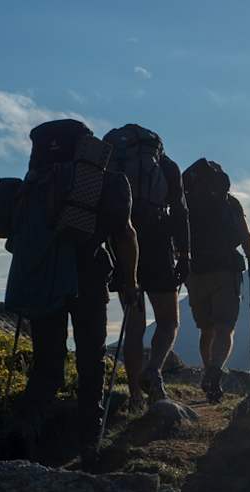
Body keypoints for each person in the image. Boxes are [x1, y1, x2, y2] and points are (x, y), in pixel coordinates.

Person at [0, 119, 139, 465]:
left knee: (47, 363)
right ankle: (89, 439)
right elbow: (125, 236)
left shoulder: (33, 183)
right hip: (89, 279)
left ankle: (27, 427)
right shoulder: (105, 183)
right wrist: (129, 281)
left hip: (42, 279)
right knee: (91, 359)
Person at [102, 124, 191, 407]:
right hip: (157, 241)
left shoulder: (113, 163)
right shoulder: (166, 165)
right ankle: (153, 372)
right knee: (168, 321)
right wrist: (185, 253)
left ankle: (135, 397)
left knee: (134, 325)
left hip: (121, 240)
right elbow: (179, 210)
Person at [181, 159, 250, 402]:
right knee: (225, 326)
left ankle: (208, 374)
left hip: (195, 271)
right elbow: (246, 237)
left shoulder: (187, 200)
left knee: (206, 329)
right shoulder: (230, 202)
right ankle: (214, 372)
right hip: (226, 269)